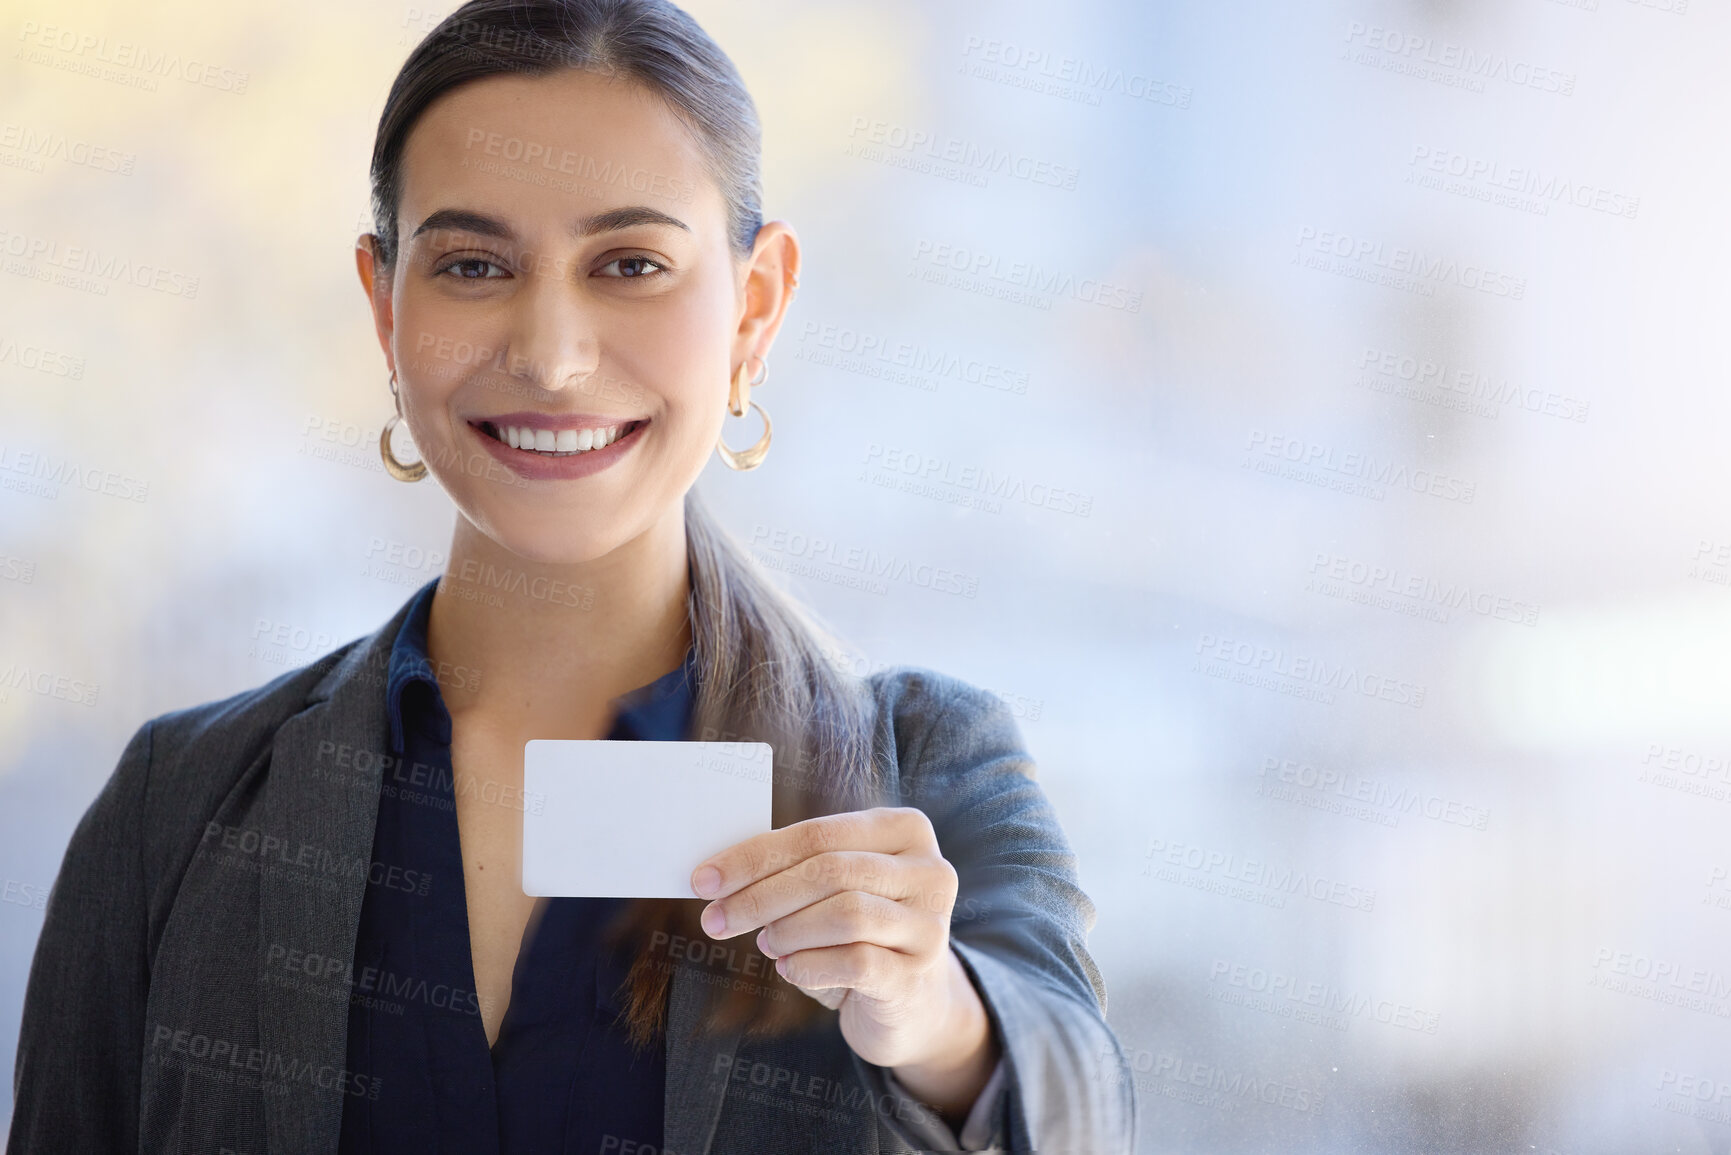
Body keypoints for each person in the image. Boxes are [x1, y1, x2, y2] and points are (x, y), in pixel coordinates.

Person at [6, 1, 1136, 1151]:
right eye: (473, 265)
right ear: (385, 311)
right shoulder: (180, 805)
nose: (550, 355)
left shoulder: (926, 770)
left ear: (754, 310)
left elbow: (1085, 1108)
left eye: (632, 264)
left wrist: (941, 1018)